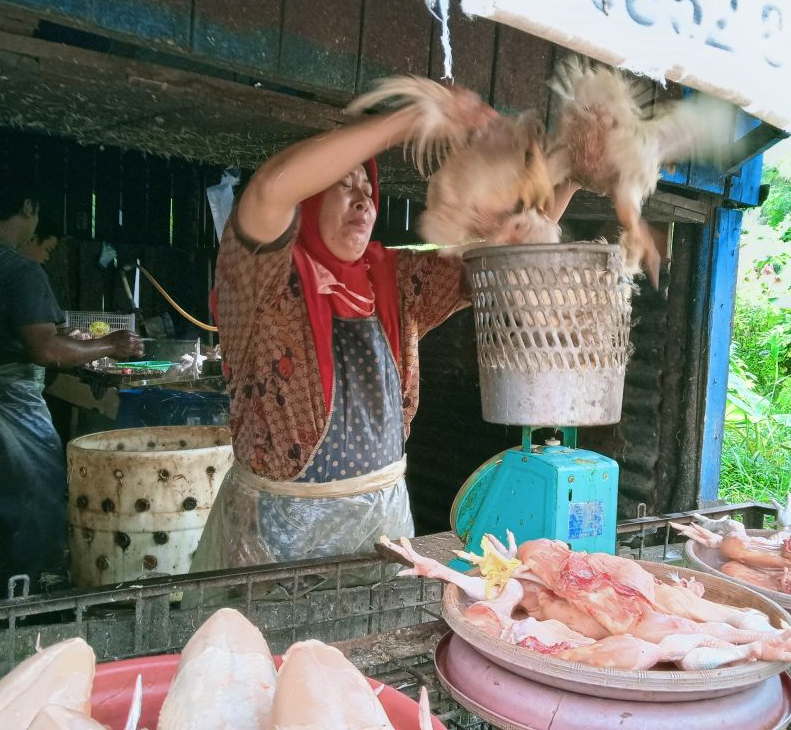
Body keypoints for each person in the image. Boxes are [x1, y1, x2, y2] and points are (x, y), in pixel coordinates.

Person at [192, 87, 579, 575]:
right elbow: (270, 188)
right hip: (276, 534)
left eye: (369, 190)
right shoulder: (260, 280)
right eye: (344, 185)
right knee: (271, 647)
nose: (364, 199)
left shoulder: (395, 280)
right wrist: (410, 121)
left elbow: (507, 256)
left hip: (380, 520)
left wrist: (570, 180)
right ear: (307, 201)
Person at [0, 168, 143, 606]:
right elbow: (47, 352)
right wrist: (110, 345)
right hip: (6, 410)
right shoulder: (15, 267)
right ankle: (32, 619)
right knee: (37, 507)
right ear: (27, 208)